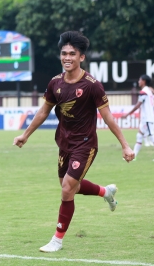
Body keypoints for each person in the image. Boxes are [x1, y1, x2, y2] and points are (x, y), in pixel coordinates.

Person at [13, 31, 134, 253]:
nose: (67, 57)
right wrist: (25, 134)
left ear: (81, 58)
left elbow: (107, 117)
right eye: (64, 53)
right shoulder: (55, 83)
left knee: (67, 189)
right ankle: (105, 192)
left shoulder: (92, 85)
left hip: (86, 144)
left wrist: (125, 144)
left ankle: (57, 240)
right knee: (70, 186)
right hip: (64, 142)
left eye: (72, 54)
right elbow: (43, 112)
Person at [122, 75, 154, 161]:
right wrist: (152, 89)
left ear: (144, 81)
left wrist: (127, 114)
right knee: (139, 136)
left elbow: (138, 105)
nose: (138, 81)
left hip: (147, 119)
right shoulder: (149, 91)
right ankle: (133, 156)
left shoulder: (144, 92)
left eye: (140, 80)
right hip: (147, 118)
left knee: (152, 136)